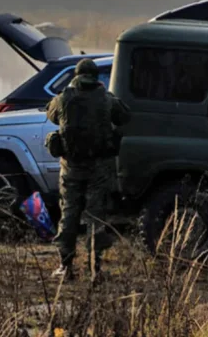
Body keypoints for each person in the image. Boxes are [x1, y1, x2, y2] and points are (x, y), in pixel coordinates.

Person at [46, 59, 130, 281]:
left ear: (76, 75)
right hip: (99, 168)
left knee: (69, 214)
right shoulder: (106, 99)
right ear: (95, 76)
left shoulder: (64, 98)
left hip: (71, 167)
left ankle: (65, 267)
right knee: (96, 216)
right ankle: (95, 269)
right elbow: (125, 116)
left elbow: (51, 115)